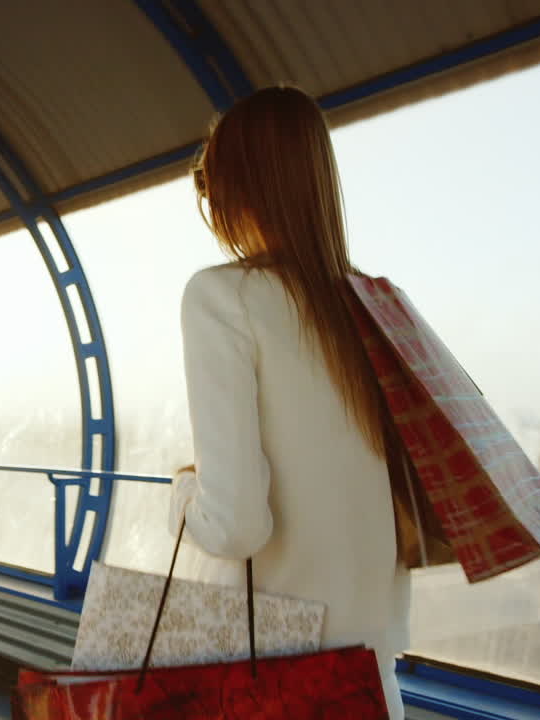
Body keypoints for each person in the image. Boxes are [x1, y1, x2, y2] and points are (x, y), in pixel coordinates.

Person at [170, 85, 410, 719]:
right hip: (370, 681)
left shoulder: (221, 299)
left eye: (208, 184)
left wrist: (179, 498)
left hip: (269, 680)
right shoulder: (381, 307)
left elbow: (237, 524)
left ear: (235, 190)